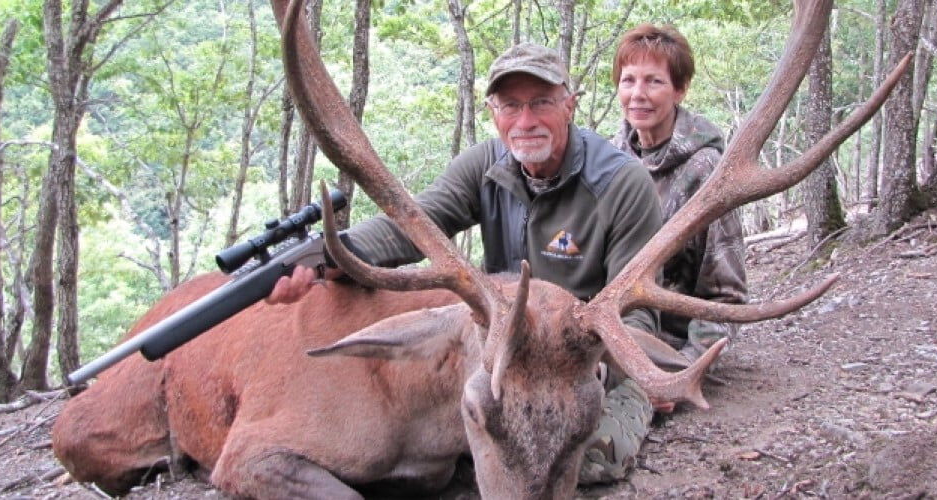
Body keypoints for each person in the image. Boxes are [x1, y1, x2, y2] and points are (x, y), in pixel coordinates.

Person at [267, 42, 665, 485]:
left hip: (580, 361)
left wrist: (605, 367)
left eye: (541, 103)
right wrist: (331, 258)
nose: (525, 121)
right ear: (493, 113)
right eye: (510, 106)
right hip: (504, 355)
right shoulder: (485, 166)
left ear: (569, 105)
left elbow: (640, 315)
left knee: (581, 459)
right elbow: (414, 225)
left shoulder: (622, 183)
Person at [578, 23, 750, 485]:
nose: (638, 94)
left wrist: (684, 370)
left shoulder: (708, 173)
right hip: (603, 332)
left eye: (654, 81)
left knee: (593, 458)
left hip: (666, 345)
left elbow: (726, 296)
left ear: (680, 89)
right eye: (628, 80)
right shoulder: (602, 161)